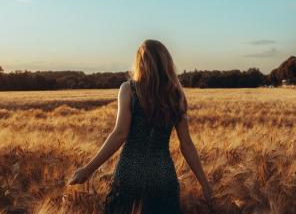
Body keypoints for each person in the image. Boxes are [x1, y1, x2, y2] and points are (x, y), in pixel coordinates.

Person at [69, 39, 212, 213]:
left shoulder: (129, 89)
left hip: (130, 174)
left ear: (141, 62)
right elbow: (187, 145)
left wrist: (88, 169)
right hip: (163, 176)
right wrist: (204, 184)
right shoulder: (176, 95)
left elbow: (120, 134)